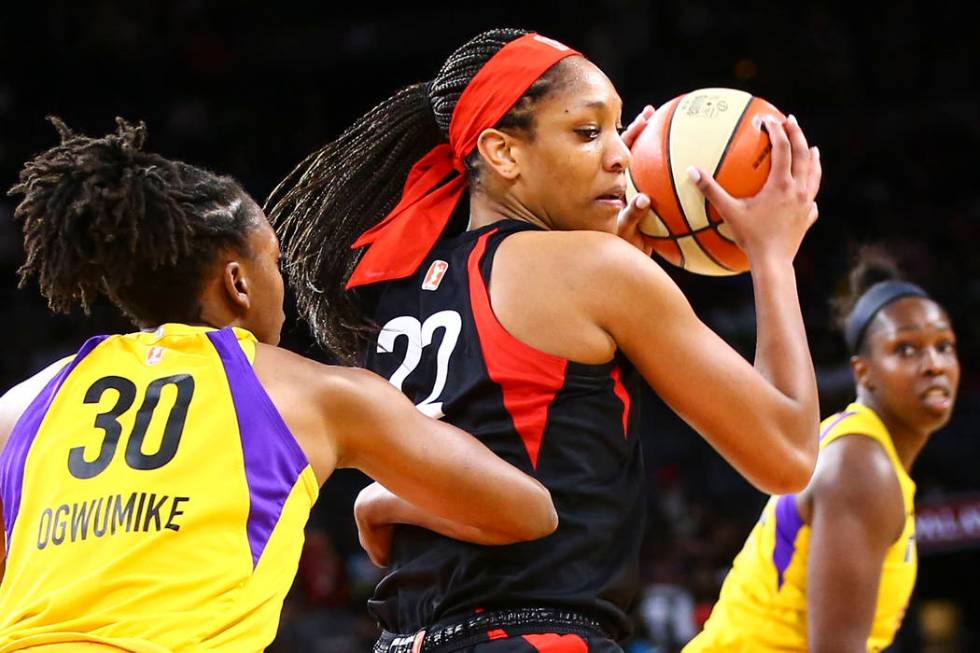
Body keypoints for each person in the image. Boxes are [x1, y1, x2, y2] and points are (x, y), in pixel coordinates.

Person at [269, 28, 822, 653]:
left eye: (620, 130)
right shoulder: (595, 272)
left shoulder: (398, 293)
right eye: (588, 132)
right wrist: (772, 255)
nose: (622, 156)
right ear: (503, 153)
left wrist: (383, 499)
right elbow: (789, 455)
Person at [0, 117, 558, 652]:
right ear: (238, 282)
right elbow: (528, 512)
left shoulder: (21, 406)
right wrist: (381, 500)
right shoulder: (315, 393)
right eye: (274, 261)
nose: (283, 284)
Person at [682, 248, 960, 653]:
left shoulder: (854, 445)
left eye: (944, 346)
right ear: (863, 371)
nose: (934, 364)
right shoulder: (861, 467)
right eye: (906, 349)